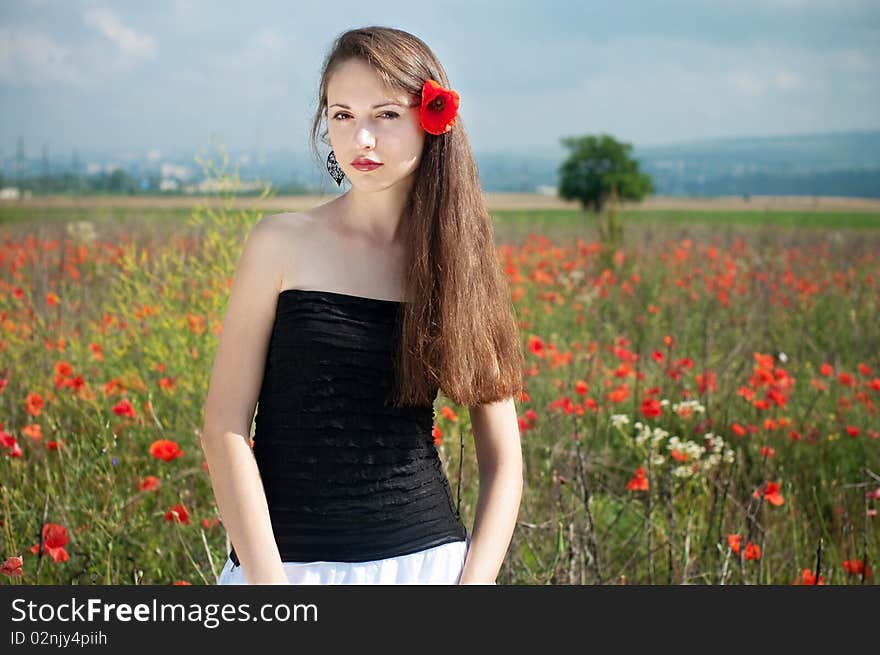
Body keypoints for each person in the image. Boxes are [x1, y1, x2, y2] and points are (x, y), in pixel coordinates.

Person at [200, 25, 524, 585]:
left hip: (426, 569)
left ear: (431, 121)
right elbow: (224, 427)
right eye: (342, 115)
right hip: (282, 574)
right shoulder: (279, 242)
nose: (361, 139)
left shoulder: (457, 262)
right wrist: (269, 588)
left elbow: (504, 462)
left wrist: (474, 588)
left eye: (385, 115)